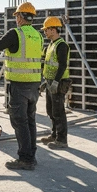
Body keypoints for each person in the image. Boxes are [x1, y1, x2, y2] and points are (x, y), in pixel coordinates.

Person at [0, 2, 43, 170]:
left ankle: (25, 159)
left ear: (20, 17)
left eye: (17, 16)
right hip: (34, 84)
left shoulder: (16, 34)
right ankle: (31, 155)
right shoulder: (38, 36)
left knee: (20, 121)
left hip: (20, 85)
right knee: (30, 120)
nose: (16, 19)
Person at [40, 16, 71, 149]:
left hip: (59, 83)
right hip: (50, 81)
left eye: (47, 29)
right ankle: (54, 134)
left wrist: (55, 82)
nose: (45, 32)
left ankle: (62, 139)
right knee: (50, 110)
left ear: (53, 29)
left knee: (58, 111)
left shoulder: (61, 45)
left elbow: (62, 65)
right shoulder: (50, 45)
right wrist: (45, 81)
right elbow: (46, 64)